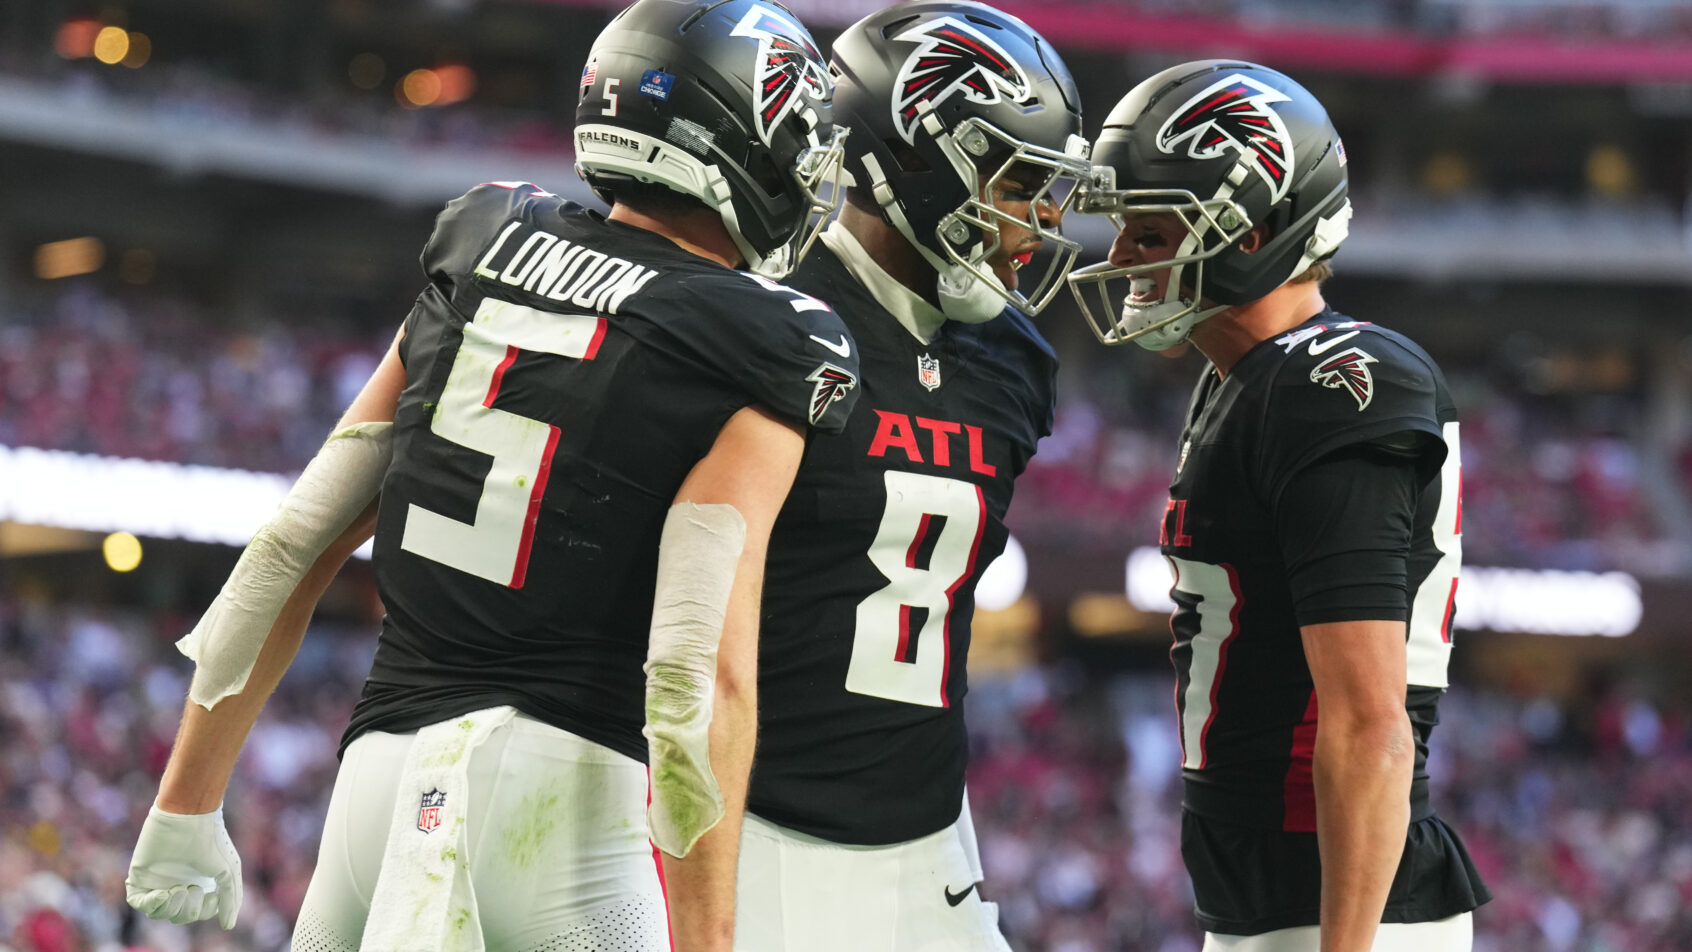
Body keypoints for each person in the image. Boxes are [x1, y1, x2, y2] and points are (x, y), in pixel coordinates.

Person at [122, 2, 858, 950]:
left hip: (375, 790)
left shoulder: (487, 238)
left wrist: (186, 805)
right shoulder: (775, 336)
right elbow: (697, 670)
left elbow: (297, 536)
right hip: (560, 817)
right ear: (737, 137)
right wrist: (711, 938)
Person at [1066, 60, 1490, 951]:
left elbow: (1371, 720)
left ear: (1253, 230)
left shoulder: (1332, 385)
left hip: (1337, 902)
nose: (1119, 260)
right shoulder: (1254, 380)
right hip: (1285, 898)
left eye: (1150, 232)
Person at [732, 3, 1091, 949]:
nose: (1043, 221)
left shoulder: (1016, 356)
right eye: (1021, 183)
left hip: (928, 829)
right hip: (755, 819)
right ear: (910, 158)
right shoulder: (770, 311)